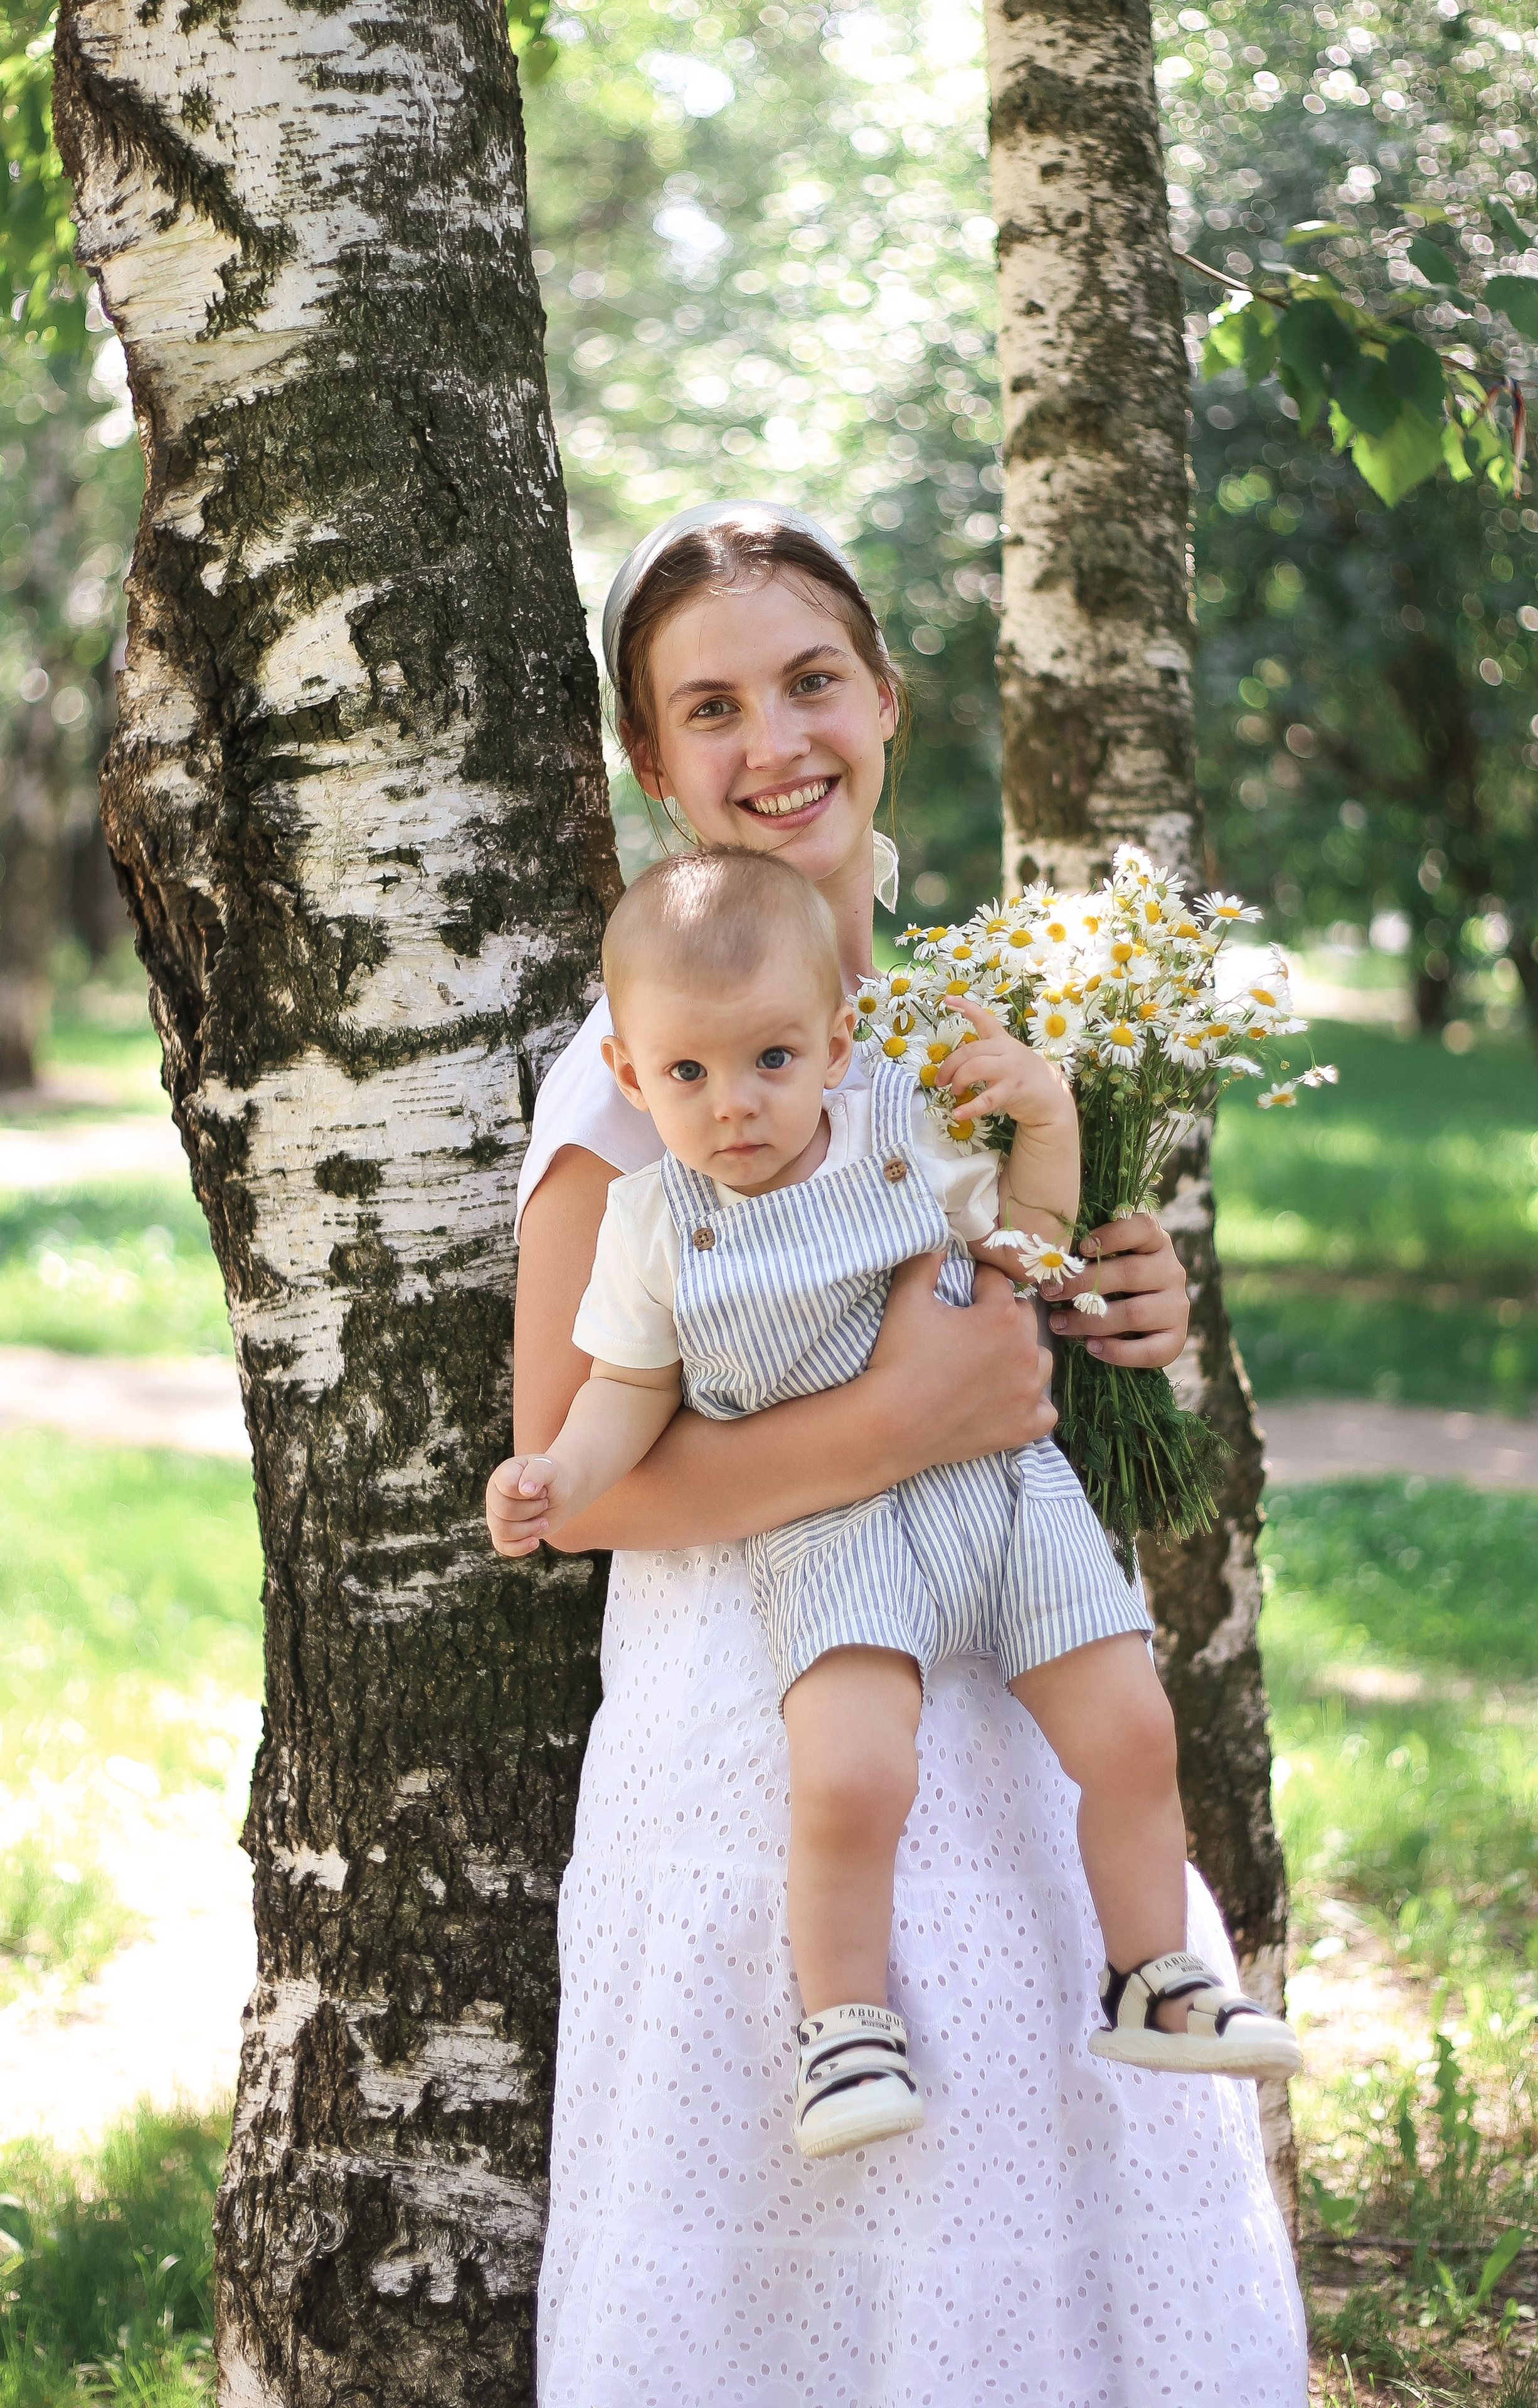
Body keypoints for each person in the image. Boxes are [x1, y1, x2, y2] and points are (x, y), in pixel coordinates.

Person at [491, 503, 1306, 2402]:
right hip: (754, 1742)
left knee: (1028, 2242)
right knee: (801, 2282)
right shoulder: (639, 1085)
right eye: (711, 709)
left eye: (812, 683)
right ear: (650, 764)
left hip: (1006, 1719)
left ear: (888, 706)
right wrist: (898, 1420)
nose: (774, 742)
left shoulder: (960, 1030)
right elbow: (574, 1470)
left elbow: (1005, 1319)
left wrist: (1120, 1322)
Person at [492, 843, 1302, 2160]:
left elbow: (1028, 1255)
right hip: (836, 1519)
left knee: (1130, 1728)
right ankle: (845, 2026)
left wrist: (1048, 1121)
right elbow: (619, 1401)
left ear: (832, 1043)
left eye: (769, 1060)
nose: (735, 1105)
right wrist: (553, 1480)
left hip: (1000, 1488)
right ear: (632, 1077)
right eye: (687, 1076)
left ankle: (1155, 1973)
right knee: (854, 1772)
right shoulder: (653, 1223)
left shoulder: (902, 1135)